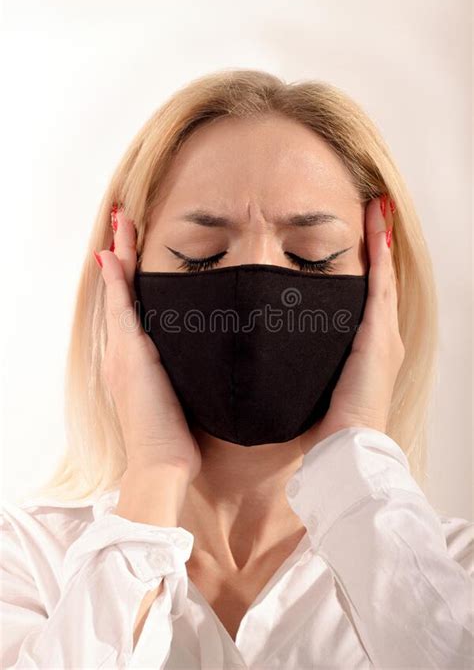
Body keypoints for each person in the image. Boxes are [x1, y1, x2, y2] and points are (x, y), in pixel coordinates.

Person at [1, 69, 473, 669]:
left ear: (383, 288)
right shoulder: (27, 559)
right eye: (200, 260)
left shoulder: (454, 573)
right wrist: (154, 476)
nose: (257, 296)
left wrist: (357, 458)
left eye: (312, 259)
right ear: (125, 276)